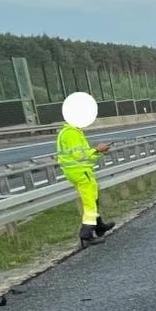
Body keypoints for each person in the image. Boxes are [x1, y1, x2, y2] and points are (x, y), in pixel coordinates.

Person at [57, 92, 114, 246]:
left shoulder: (69, 132)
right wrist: (97, 149)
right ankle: (86, 235)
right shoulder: (71, 133)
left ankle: (99, 226)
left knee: (93, 196)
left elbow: (83, 156)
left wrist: (99, 152)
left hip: (79, 171)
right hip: (80, 172)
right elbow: (80, 155)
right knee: (89, 202)